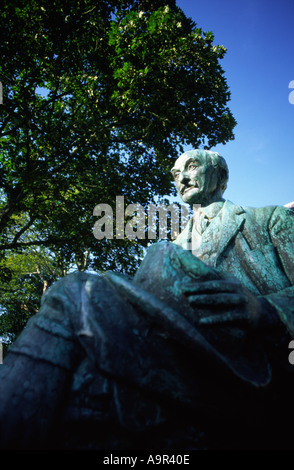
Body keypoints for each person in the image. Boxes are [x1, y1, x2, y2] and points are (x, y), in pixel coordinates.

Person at [0, 149, 293, 450]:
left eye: (191, 167)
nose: (182, 179)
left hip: (256, 366)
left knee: (74, 291)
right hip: (179, 357)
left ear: (220, 176)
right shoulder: (170, 248)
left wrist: (265, 308)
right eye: (176, 175)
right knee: (86, 380)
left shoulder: (271, 220)